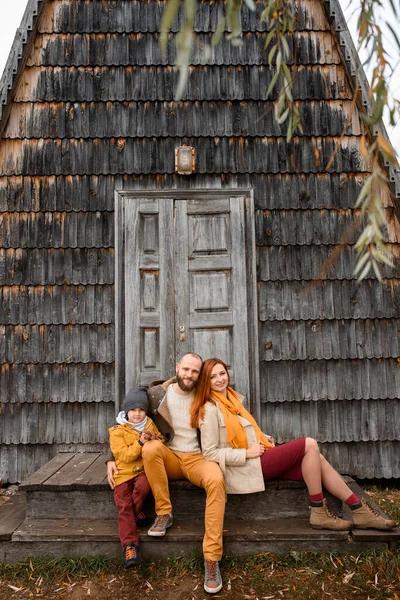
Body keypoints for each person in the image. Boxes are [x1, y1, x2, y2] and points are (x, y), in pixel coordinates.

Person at [191, 358, 397, 535]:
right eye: (212, 376)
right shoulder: (209, 409)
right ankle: (318, 509)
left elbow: (244, 430)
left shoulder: (233, 400)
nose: (220, 379)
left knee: (317, 458)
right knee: (309, 444)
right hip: (243, 467)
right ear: (205, 382)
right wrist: (246, 453)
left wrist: (263, 437)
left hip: (257, 458)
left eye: (222, 373)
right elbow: (209, 453)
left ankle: (358, 510)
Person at [107, 353, 226, 594]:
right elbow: (126, 419)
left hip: (197, 458)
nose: (189, 375)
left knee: (216, 479)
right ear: (177, 368)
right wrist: (109, 457)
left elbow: (235, 411)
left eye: (195, 371)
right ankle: (164, 512)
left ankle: (211, 559)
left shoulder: (206, 394)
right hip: (168, 457)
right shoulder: (156, 394)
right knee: (150, 448)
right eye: (186, 369)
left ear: (199, 374)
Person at [109, 386, 164, 568]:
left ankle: (135, 512)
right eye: (133, 410)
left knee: (143, 487)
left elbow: (161, 441)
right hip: (123, 474)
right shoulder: (117, 431)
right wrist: (140, 442)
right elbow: (123, 456)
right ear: (126, 411)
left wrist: (155, 438)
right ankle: (129, 546)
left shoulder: (149, 424)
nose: (137, 414)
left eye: (141, 410)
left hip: (143, 471)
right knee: (123, 504)